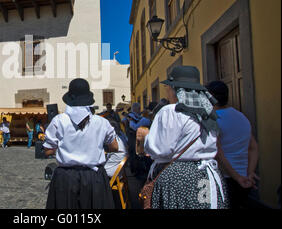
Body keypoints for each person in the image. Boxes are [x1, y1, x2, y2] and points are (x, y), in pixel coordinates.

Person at [137, 66, 228, 209]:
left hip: (179, 178)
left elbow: (160, 149)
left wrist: (146, 136)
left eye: (168, 87)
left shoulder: (171, 111)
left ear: (174, 89)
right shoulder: (208, 111)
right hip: (206, 176)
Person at [43, 78, 118, 209]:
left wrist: (67, 148)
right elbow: (114, 146)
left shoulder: (58, 121)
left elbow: (47, 150)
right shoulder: (101, 122)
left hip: (66, 178)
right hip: (94, 178)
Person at [207, 81, 259, 209]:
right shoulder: (242, 117)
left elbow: (218, 153)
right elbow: (253, 147)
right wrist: (249, 173)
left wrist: (236, 177)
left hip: (224, 179)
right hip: (244, 180)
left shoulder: (213, 120)